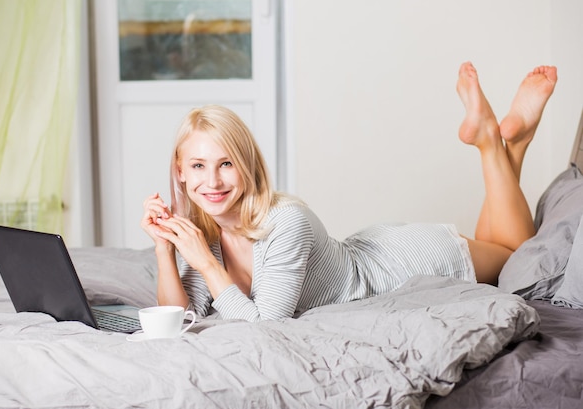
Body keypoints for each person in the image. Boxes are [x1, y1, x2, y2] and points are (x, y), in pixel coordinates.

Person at [141, 61, 558, 322]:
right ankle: (509, 144)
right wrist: (165, 251)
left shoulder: (285, 220)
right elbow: (178, 315)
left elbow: (266, 326)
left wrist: (204, 265)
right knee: (497, 241)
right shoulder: (206, 233)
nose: (211, 182)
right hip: (371, 247)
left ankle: (492, 140)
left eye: (226, 163)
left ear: (248, 167)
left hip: (406, 263)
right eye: (198, 166)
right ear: (179, 171)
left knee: (511, 253)